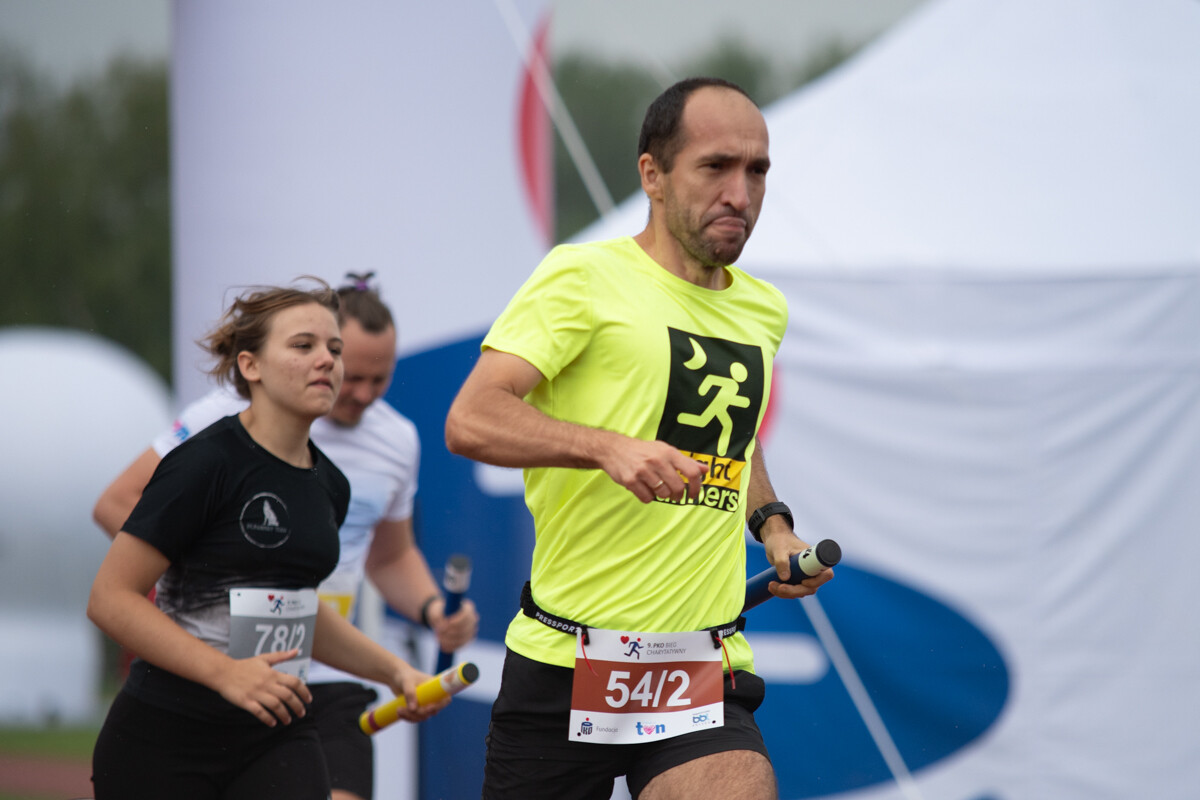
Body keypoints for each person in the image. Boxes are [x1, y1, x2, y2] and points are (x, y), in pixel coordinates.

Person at [444, 77, 834, 799]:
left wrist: (774, 527)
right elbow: (471, 419)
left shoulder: (762, 309)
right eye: (715, 167)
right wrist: (607, 447)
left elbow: (735, 438)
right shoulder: (581, 276)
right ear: (652, 174)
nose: (740, 194)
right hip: (565, 660)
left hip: (700, 666)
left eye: (756, 171)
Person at [92, 274, 479, 800]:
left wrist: (396, 672)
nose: (327, 361)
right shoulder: (204, 462)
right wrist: (227, 672)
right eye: (303, 346)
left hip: (278, 725)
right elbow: (109, 600)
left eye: (334, 349)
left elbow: (297, 611)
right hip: (168, 731)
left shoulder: (330, 485)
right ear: (250, 366)